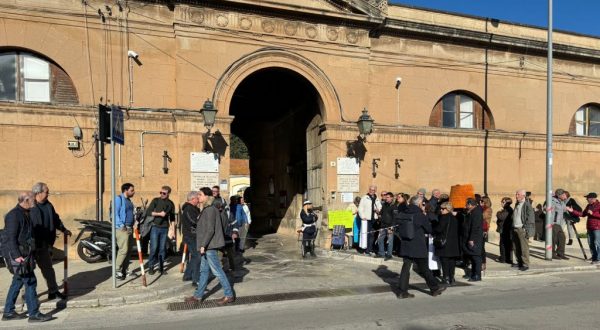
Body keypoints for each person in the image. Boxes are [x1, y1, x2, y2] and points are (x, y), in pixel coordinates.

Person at [2, 192, 52, 322]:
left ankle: (8, 312)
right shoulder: (13, 215)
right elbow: (11, 238)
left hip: (26, 253)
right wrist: (16, 256)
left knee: (17, 281)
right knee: (30, 282)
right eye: (32, 200)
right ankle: (33, 314)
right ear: (25, 200)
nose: (34, 201)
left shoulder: (26, 212)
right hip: (19, 255)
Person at [185, 187, 235, 305]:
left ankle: (229, 295)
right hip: (207, 246)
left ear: (207, 196)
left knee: (217, 271)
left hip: (210, 246)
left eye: (200, 195)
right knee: (204, 271)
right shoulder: (206, 209)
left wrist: (203, 245)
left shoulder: (210, 210)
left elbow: (210, 230)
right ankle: (198, 296)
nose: (198, 197)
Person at [397, 196, 445, 298]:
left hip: (406, 243)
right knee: (424, 268)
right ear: (419, 204)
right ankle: (434, 288)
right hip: (418, 245)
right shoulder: (419, 215)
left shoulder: (404, 212)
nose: (423, 205)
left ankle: (402, 291)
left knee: (405, 268)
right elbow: (429, 229)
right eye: (422, 203)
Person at [30, 182, 71, 300]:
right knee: (27, 273)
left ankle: (53, 291)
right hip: (31, 245)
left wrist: (63, 229)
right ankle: (27, 296)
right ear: (38, 193)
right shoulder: (30, 205)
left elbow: (56, 219)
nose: (48, 194)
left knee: (48, 269)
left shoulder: (48, 205)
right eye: (46, 192)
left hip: (45, 244)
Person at [146, 186, 176, 275]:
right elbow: (148, 212)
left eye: (164, 193)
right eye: (161, 192)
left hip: (164, 228)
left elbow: (172, 218)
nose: (162, 194)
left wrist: (173, 230)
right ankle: (151, 266)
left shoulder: (171, 204)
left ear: (168, 194)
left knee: (162, 249)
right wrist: (159, 214)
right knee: (154, 248)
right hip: (155, 227)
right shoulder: (156, 200)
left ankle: (161, 268)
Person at [566, 192, 600, 265]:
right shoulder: (589, 205)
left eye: (587, 198)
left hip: (597, 227)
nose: (586, 199)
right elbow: (582, 214)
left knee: (597, 243)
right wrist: (572, 211)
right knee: (590, 243)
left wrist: (593, 214)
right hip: (590, 227)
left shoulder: (599, 205)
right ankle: (594, 257)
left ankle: (598, 259)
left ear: (592, 199)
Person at [434, 201, 460, 286]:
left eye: (443, 209)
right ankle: (452, 278)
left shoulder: (444, 217)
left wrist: (433, 228)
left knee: (444, 261)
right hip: (453, 243)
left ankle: (446, 278)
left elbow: (439, 229)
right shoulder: (454, 218)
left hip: (445, 243)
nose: (441, 210)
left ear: (447, 209)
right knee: (452, 261)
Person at [113, 183, 135, 280]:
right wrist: (121, 225)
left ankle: (124, 270)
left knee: (129, 251)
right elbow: (115, 213)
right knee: (123, 250)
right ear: (125, 190)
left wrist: (135, 222)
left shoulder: (129, 201)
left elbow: (131, 214)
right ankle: (116, 270)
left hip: (130, 228)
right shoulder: (119, 199)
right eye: (132, 190)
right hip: (122, 228)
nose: (133, 192)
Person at [513, 189, 535, 271]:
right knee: (516, 247)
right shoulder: (517, 204)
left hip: (522, 229)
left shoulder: (527, 205)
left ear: (523, 195)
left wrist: (526, 229)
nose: (516, 196)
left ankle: (525, 264)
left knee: (524, 247)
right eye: (516, 194)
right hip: (515, 228)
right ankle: (519, 262)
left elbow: (530, 219)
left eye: (518, 194)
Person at [181, 191, 201, 286]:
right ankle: (195, 279)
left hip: (194, 236)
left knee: (194, 257)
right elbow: (193, 221)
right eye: (197, 198)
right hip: (191, 236)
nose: (198, 200)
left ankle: (187, 275)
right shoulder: (188, 209)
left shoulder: (194, 208)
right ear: (193, 199)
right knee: (197, 257)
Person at [462, 198, 484, 282]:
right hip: (471, 237)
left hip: (475, 238)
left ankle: (477, 275)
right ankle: (473, 273)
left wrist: (471, 239)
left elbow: (475, 227)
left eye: (467, 204)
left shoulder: (476, 213)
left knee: (476, 257)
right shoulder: (473, 212)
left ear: (471, 205)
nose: (466, 206)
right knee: (472, 256)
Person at [358, 185, 381, 255]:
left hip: (374, 219)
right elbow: (360, 208)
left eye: (373, 190)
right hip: (367, 219)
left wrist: (378, 210)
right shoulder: (365, 198)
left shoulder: (377, 198)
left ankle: (370, 249)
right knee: (366, 235)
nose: (372, 191)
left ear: (375, 191)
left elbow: (380, 207)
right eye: (371, 190)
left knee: (372, 235)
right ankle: (365, 249)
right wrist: (363, 216)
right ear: (369, 190)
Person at [546, 189, 569, 260]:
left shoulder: (562, 202)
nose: (565, 196)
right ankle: (552, 254)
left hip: (559, 223)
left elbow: (564, 209)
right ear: (559, 195)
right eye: (563, 195)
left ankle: (560, 253)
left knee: (562, 237)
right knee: (553, 239)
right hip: (553, 223)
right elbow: (546, 209)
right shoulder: (552, 201)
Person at [377, 192, 395, 260]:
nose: (386, 198)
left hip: (390, 226)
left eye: (387, 197)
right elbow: (381, 213)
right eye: (386, 197)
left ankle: (389, 255)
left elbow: (395, 217)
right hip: (383, 225)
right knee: (380, 239)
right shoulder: (384, 205)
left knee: (390, 241)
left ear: (391, 198)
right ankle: (381, 253)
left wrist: (392, 226)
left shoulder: (394, 206)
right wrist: (378, 213)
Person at [496, 197, 514, 265]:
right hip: (505, 229)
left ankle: (504, 258)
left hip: (505, 229)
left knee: (503, 244)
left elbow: (501, 217)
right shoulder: (506, 209)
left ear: (507, 203)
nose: (501, 203)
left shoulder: (508, 209)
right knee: (505, 244)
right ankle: (506, 258)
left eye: (503, 202)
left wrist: (498, 212)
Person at [480, 196, 492, 270]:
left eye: (482, 201)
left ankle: (483, 263)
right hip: (480, 228)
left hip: (484, 229)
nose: (480, 202)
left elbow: (483, 217)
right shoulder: (481, 208)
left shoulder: (488, 209)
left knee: (481, 248)